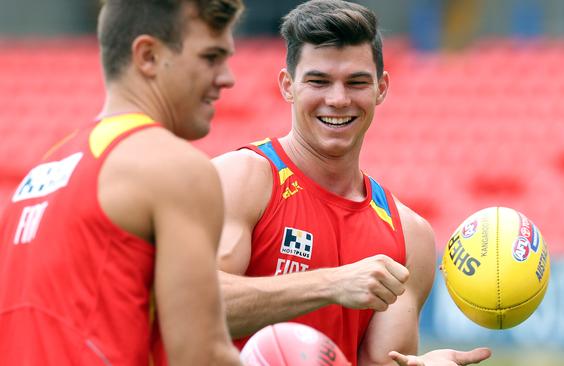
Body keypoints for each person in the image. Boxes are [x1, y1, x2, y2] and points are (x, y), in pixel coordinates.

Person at [212, 1, 491, 365]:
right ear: (287, 85)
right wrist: (331, 284)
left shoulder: (408, 237)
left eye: (356, 82)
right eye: (319, 81)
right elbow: (190, 306)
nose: (338, 99)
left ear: (381, 88)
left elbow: (383, 362)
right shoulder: (240, 179)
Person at [0, 0, 244, 365]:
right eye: (211, 57)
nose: (227, 77)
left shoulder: (43, 170)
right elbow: (199, 356)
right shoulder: (173, 167)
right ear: (147, 56)